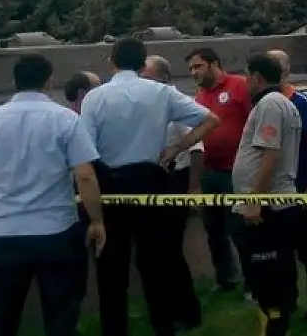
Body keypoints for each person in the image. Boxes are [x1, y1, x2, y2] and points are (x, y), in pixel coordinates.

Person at [80, 38, 219, 336]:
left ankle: (114, 330)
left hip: (110, 183)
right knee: (157, 263)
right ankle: (164, 326)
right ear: (143, 64)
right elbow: (210, 119)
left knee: (111, 269)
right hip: (150, 180)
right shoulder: (162, 92)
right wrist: (176, 148)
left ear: (112, 62)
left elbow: (86, 150)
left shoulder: (95, 97)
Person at [0, 54, 107, 336]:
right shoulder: (65, 119)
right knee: (61, 316)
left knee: (2, 317)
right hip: (55, 232)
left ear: (14, 81)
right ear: (49, 80)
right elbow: (85, 175)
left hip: (5, 233)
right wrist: (97, 220)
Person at [232, 54, 303, 335]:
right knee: (278, 267)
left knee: (267, 269)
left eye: (247, 76)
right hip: (274, 202)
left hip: (270, 204)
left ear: (257, 77)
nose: (245, 82)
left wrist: (254, 201)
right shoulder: (281, 103)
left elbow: (270, 153)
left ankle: (274, 322)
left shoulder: (270, 104)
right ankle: (277, 315)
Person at [140, 55, 204, 331]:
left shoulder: (175, 102)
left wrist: (193, 187)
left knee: (169, 251)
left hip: (176, 180)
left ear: (164, 78)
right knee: (157, 253)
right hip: (153, 181)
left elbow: (197, 148)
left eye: (147, 77)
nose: (142, 83)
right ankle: (170, 310)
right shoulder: (146, 105)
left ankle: (186, 311)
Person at [267, 49, 307, 320]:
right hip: (273, 192)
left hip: (299, 188)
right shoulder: (264, 102)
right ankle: (287, 302)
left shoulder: (302, 103)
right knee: (280, 252)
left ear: (285, 71)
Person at [187, 46, 254, 294]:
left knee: (240, 229)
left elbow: (253, 121)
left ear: (214, 64)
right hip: (209, 171)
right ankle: (226, 279)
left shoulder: (238, 86)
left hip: (234, 171)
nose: (193, 72)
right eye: (191, 69)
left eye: (197, 66)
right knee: (213, 230)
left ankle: (252, 282)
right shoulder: (199, 97)